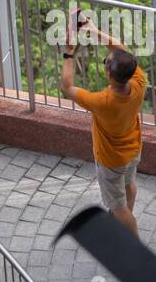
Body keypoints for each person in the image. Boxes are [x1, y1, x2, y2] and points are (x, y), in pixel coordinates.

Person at [60, 12, 146, 236]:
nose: (106, 60)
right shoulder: (139, 81)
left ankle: (132, 245)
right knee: (129, 186)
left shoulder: (101, 102)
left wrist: (68, 52)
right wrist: (93, 30)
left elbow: (67, 87)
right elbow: (119, 51)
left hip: (111, 160)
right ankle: (122, 221)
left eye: (106, 63)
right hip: (133, 150)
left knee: (118, 207)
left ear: (109, 74)